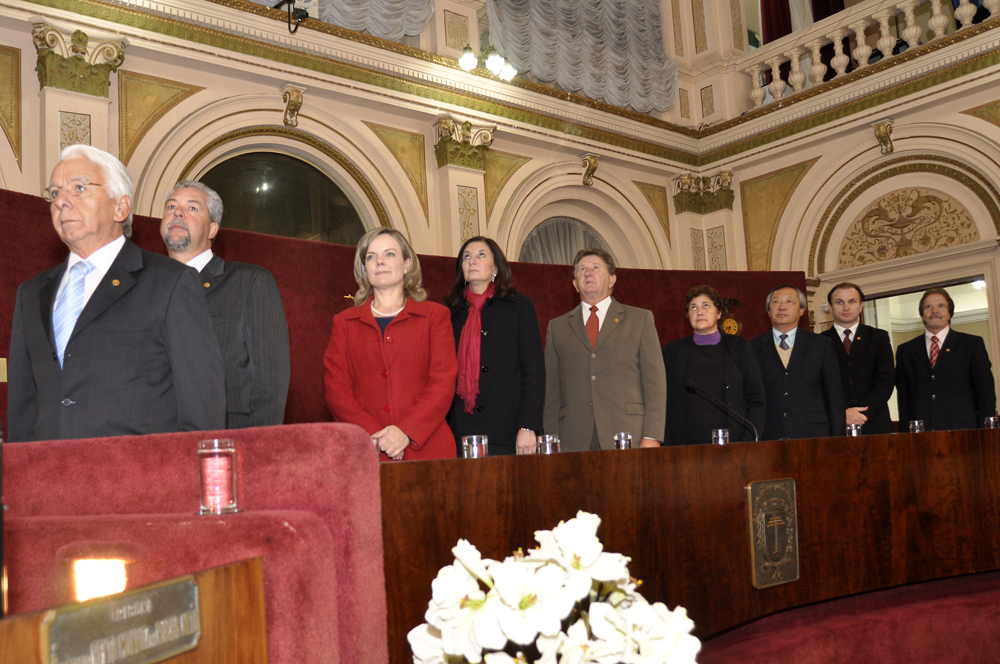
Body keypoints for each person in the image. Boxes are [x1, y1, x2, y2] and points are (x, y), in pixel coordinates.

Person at [7, 145, 224, 442]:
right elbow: (22, 407)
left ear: (121, 207)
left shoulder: (171, 282)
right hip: (49, 479)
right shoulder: (31, 293)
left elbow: (202, 408)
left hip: (137, 481)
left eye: (79, 187)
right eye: (55, 193)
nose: (62, 202)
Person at [161, 180, 291, 428]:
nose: (177, 212)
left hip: (227, 441)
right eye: (171, 206)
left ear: (212, 229)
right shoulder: (146, 287)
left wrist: (258, 451)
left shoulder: (250, 282)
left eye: (192, 208)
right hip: (158, 443)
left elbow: (270, 382)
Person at [324, 228, 457, 461]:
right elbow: (337, 390)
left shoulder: (436, 316)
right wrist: (374, 434)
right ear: (364, 269)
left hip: (427, 449)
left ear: (407, 264)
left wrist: (406, 431)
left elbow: (443, 382)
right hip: (366, 451)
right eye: (371, 257)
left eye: (389, 254)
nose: (380, 262)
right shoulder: (344, 322)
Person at [544, 248, 666, 452]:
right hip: (573, 439)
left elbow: (655, 383)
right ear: (575, 284)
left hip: (628, 435)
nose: (588, 272)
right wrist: (551, 440)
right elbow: (551, 391)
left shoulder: (640, 319)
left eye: (595, 267)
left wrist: (652, 435)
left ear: (612, 280)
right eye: (582, 269)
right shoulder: (557, 327)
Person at [444, 237, 544, 456]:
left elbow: (533, 372)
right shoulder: (448, 312)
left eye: (481, 255)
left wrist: (528, 426)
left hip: (507, 431)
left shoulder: (519, 306)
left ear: (496, 267)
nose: (472, 261)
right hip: (459, 429)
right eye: (466, 257)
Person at [662, 285, 765, 445]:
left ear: (719, 313)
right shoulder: (672, 352)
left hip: (734, 445)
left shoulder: (740, 347)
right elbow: (662, 403)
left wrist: (747, 441)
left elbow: (756, 400)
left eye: (706, 305)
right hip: (685, 448)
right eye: (693, 307)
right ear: (688, 315)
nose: (699, 311)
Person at [750, 284, 845, 440]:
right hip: (768, 435)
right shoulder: (751, 347)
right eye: (776, 302)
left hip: (813, 435)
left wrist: (838, 439)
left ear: (802, 310)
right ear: (768, 311)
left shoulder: (821, 345)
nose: (782, 307)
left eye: (789, 302)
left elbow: (834, 396)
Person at [895, 287, 996, 431]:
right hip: (920, 434)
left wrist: (986, 432)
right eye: (928, 307)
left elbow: (985, 393)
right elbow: (903, 399)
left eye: (940, 306)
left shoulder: (971, 345)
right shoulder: (906, 351)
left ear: (949, 313)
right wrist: (905, 436)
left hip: (964, 431)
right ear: (922, 315)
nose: (934, 310)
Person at [820, 282, 895, 435]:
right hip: (835, 428)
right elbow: (817, 387)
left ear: (861, 306)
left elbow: (886, 380)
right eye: (839, 302)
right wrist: (842, 414)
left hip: (875, 424)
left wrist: (862, 414)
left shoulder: (878, 337)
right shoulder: (819, 342)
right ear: (830, 307)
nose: (846, 307)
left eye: (852, 301)